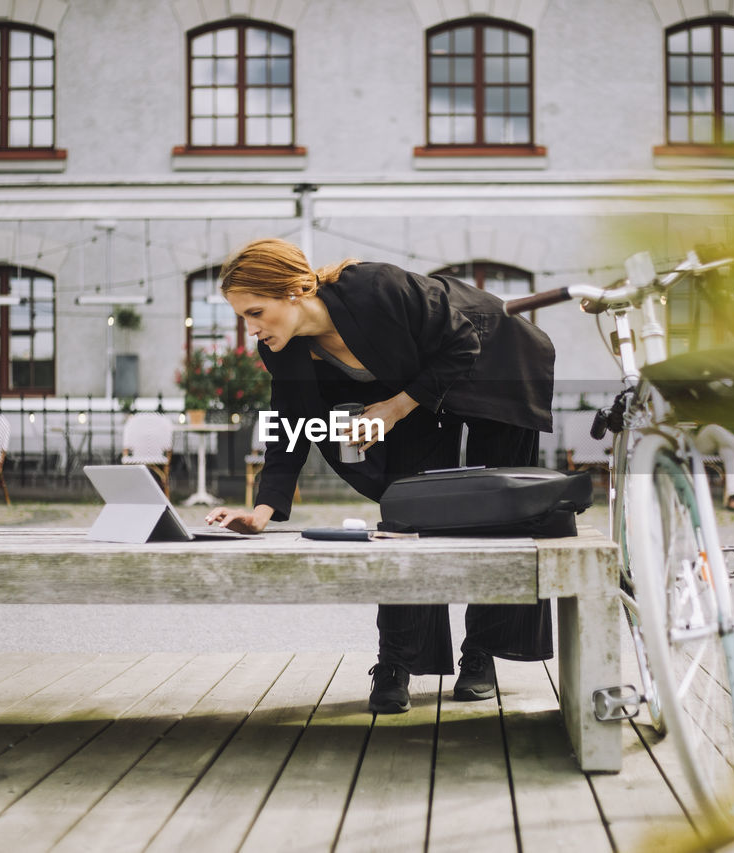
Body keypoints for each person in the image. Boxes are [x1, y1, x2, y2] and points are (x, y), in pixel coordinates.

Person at [205, 238, 556, 715]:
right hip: (419, 384)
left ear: (292, 290)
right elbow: (289, 424)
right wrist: (263, 511)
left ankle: (482, 653)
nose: (250, 329)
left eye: (255, 312)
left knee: (496, 513)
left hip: (494, 356)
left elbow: (462, 342)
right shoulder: (283, 350)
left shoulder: (374, 288)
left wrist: (394, 408)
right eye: (243, 317)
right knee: (406, 513)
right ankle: (398, 661)